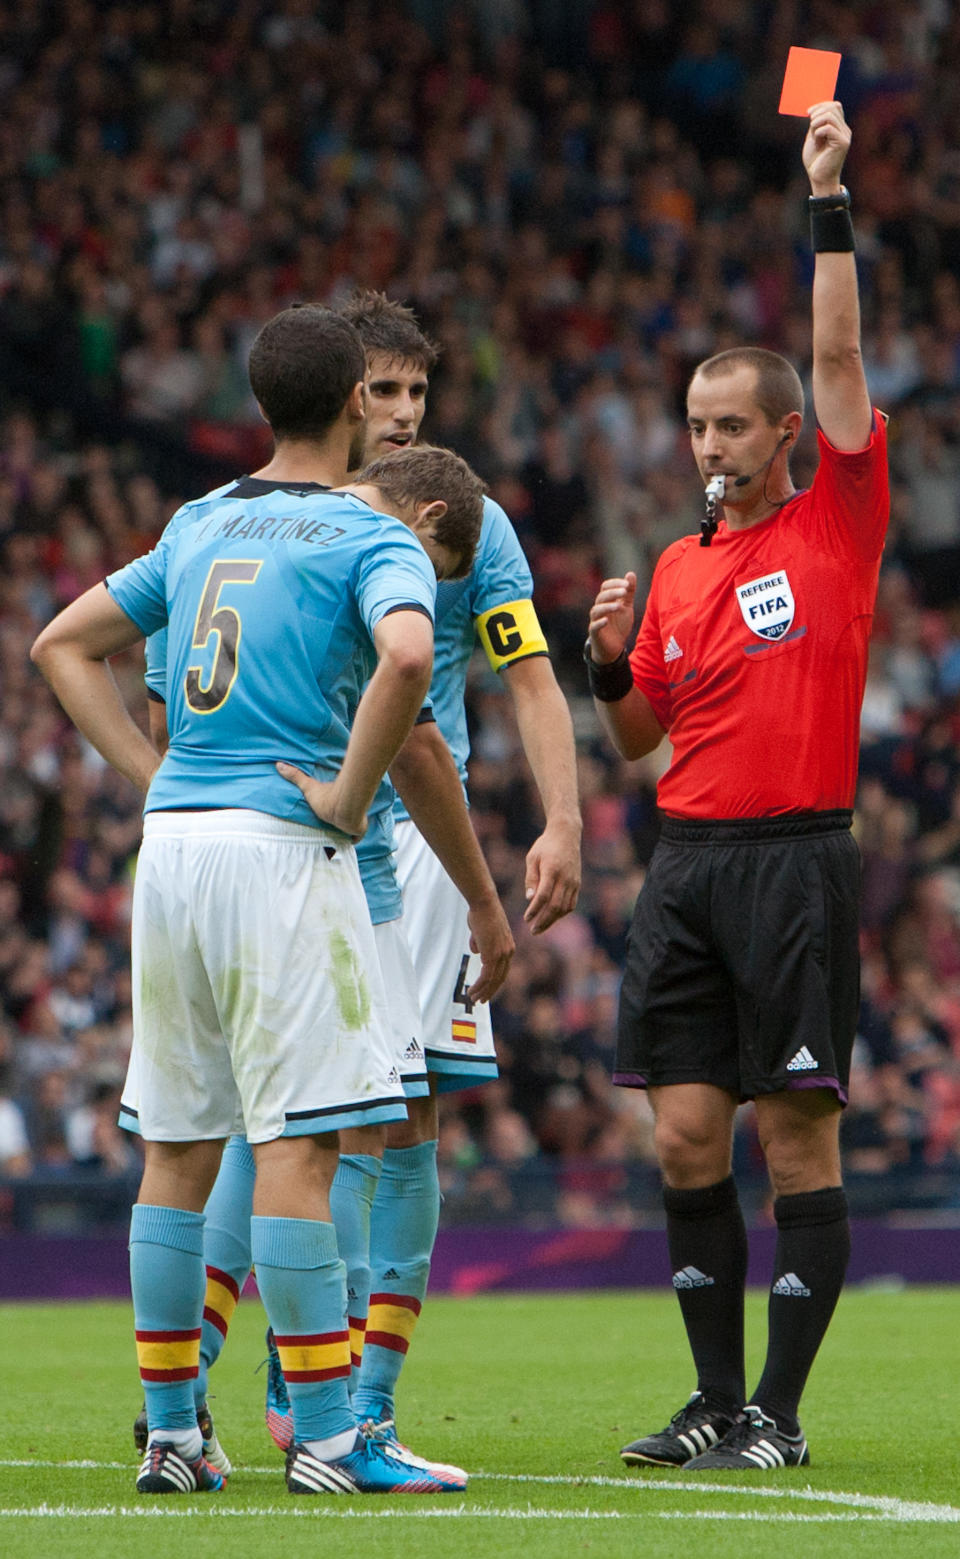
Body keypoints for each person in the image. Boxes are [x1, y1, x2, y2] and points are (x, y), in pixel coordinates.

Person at [31, 303, 474, 1498]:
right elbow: (412, 659)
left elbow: (62, 646)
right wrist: (344, 793)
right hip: (286, 855)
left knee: (176, 1149)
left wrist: (152, 777)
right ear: (350, 408)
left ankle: (175, 1432)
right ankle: (330, 1436)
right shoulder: (365, 530)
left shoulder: (197, 521)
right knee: (303, 1146)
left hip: (174, 853)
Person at [585, 103, 887, 1472]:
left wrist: (825, 202)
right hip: (688, 867)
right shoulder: (678, 566)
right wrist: (603, 669)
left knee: (797, 1145)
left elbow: (835, 349)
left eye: (731, 422)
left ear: (783, 435)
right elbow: (641, 741)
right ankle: (712, 1400)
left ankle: (781, 1408)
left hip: (799, 862)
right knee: (686, 1138)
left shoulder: (837, 514)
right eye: (697, 420)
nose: (710, 440)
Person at [332, 291, 582, 1443]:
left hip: (426, 843)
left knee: (411, 1104)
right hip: (306, 832)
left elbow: (528, 673)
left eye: (415, 389)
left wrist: (563, 820)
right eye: (381, 388)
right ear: (336, 393)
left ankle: (363, 1399)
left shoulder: (462, 514)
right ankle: (282, 1382)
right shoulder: (284, 515)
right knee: (303, 1116)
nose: (400, 409)